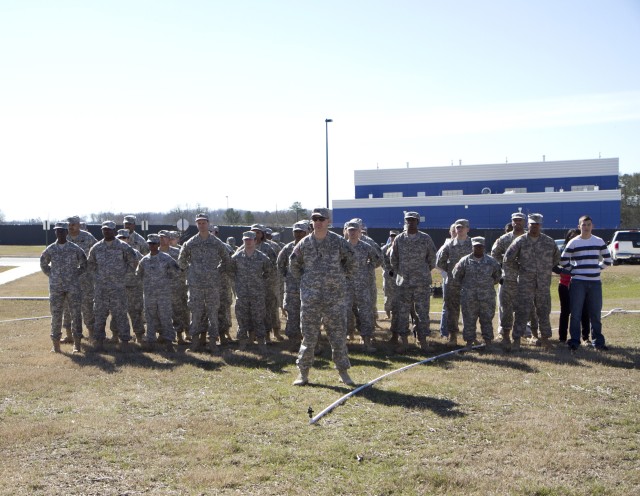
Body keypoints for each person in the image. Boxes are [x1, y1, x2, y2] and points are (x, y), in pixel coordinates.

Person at [289, 207, 356, 386]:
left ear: (328, 222)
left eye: (321, 219)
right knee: (309, 336)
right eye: (315, 219)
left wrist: (341, 277)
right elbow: (293, 264)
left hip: (334, 298)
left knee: (337, 335)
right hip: (311, 298)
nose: (318, 222)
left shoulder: (338, 242)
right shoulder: (304, 243)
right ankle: (303, 373)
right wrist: (306, 280)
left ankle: (343, 372)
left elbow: (352, 260)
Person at [504, 213, 560, 351]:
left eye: (537, 225)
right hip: (525, 283)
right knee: (522, 311)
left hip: (543, 284)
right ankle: (516, 339)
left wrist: (544, 269)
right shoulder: (520, 241)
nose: (534, 227)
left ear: (541, 225)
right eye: (531, 225)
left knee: (544, 311)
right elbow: (507, 258)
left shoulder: (549, 242)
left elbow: (556, 258)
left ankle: (545, 339)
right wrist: (521, 269)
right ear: (527, 225)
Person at [177, 213, 231, 354]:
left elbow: (226, 259)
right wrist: (190, 271)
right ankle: (195, 342)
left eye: (204, 223)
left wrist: (218, 271)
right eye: (199, 223)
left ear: (208, 223)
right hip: (196, 285)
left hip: (212, 284)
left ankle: (212, 341)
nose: (201, 225)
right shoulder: (191, 242)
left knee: (212, 313)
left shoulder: (216, 242)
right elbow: (181, 260)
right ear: (196, 225)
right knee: (196, 313)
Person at [561, 215, 612, 351]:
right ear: (579, 226)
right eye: (583, 225)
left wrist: (598, 268)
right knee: (576, 313)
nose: (586, 227)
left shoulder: (599, 241)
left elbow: (608, 260)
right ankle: (574, 341)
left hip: (595, 283)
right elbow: (563, 260)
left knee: (595, 313)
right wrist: (574, 269)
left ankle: (598, 342)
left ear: (592, 226)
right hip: (578, 282)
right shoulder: (574, 242)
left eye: (588, 224)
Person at [390, 211, 437, 353]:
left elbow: (432, 259)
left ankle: (422, 340)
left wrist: (422, 271)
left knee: (422, 313)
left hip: (421, 283)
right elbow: (393, 259)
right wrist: (402, 272)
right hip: (404, 283)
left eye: (413, 220)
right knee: (403, 312)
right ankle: (404, 341)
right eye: (408, 220)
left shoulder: (425, 238)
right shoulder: (399, 239)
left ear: (418, 222)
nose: (410, 222)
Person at [87, 221, 138, 352]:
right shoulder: (96, 247)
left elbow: (133, 262)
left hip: (118, 288)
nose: (107, 232)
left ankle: (125, 340)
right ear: (102, 231)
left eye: (109, 230)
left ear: (115, 231)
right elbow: (91, 265)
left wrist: (123, 277)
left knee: (120, 314)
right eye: (104, 230)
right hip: (101, 289)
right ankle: (99, 340)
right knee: (99, 314)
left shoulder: (123, 247)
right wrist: (97, 278)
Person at [40, 222, 88, 353]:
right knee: (56, 315)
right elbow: (43, 263)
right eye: (57, 231)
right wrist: (52, 274)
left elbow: (84, 264)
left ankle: (77, 344)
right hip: (56, 288)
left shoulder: (75, 248)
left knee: (76, 315)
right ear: (55, 233)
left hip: (73, 287)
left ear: (66, 232)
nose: (59, 233)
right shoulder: (51, 249)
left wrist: (75, 274)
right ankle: (56, 345)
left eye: (62, 231)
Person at [452, 237, 501, 348]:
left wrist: (485, 286)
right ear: (472, 247)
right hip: (469, 297)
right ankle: (469, 342)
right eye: (476, 246)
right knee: (469, 320)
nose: (478, 248)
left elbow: (497, 277)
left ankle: (488, 341)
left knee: (487, 319)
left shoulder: (491, 261)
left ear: (484, 247)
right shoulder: (464, 261)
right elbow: (456, 276)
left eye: (480, 246)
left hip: (486, 297)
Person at [230, 231, 274, 353]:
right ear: (243, 241)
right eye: (245, 240)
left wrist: (260, 284)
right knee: (242, 319)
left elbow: (269, 272)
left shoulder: (262, 257)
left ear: (255, 241)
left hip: (257, 294)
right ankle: (242, 344)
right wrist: (238, 283)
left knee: (259, 319)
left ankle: (261, 344)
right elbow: (231, 271)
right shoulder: (236, 257)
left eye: (250, 240)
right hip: (242, 294)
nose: (248, 242)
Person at [136, 234, 179, 351]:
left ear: (158, 244)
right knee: (150, 319)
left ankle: (169, 342)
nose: (152, 246)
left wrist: (167, 281)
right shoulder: (144, 260)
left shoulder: (166, 258)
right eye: (150, 244)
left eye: (154, 243)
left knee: (166, 318)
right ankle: (151, 342)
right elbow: (138, 275)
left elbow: (176, 271)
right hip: (149, 296)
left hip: (163, 295)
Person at [491, 212, 527, 350]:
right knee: (506, 310)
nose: (517, 223)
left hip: (525, 280)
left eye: (520, 220)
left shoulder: (528, 238)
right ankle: (505, 336)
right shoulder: (504, 239)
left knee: (523, 310)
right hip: (508, 279)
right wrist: (506, 263)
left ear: (524, 222)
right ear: (511, 222)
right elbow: (494, 254)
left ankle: (517, 337)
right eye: (515, 220)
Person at [345, 220, 382, 353]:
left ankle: (367, 342)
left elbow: (378, 259)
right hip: (347, 287)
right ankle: (344, 342)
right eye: (350, 230)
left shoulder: (366, 247)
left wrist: (368, 268)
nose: (352, 232)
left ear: (360, 232)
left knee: (365, 314)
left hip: (363, 286)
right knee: (345, 313)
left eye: (355, 230)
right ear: (346, 232)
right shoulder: (342, 246)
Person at [61, 215, 97, 342]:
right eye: (69, 225)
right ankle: (69, 335)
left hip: (85, 279)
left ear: (78, 224)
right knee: (68, 306)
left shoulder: (87, 237)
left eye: (73, 224)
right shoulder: (64, 237)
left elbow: (96, 252)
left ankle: (91, 333)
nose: (71, 227)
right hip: (68, 279)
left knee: (87, 305)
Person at [436, 219, 472, 344]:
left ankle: (469, 337)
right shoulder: (449, 245)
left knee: (469, 310)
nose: (459, 229)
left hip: (469, 283)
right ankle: (453, 336)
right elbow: (439, 262)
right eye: (457, 227)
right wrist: (451, 273)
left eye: (462, 227)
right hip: (453, 284)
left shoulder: (473, 245)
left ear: (468, 229)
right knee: (452, 310)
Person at [276, 221, 307, 350]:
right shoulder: (288, 248)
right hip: (292, 289)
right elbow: (280, 264)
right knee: (293, 316)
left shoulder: (312, 246)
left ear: (307, 232)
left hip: (310, 288)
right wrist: (288, 277)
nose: (298, 234)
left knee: (309, 316)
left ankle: (310, 343)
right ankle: (294, 342)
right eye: (296, 231)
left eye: (301, 231)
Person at [557, 229, 590, 343]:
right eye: (571, 237)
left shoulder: (585, 250)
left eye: (577, 236)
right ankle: (562, 338)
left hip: (582, 283)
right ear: (568, 238)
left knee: (584, 311)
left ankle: (585, 337)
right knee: (565, 311)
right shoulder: (562, 250)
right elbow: (553, 265)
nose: (574, 238)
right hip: (565, 285)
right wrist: (563, 271)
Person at [159, 230, 190, 345]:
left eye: (165, 237)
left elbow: (184, 267)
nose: (162, 240)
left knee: (178, 312)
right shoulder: (154, 253)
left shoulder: (177, 253)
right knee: (161, 312)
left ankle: (179, 335)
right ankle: (162, 334)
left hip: (177, 288)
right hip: (160, 289)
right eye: (160, 238)